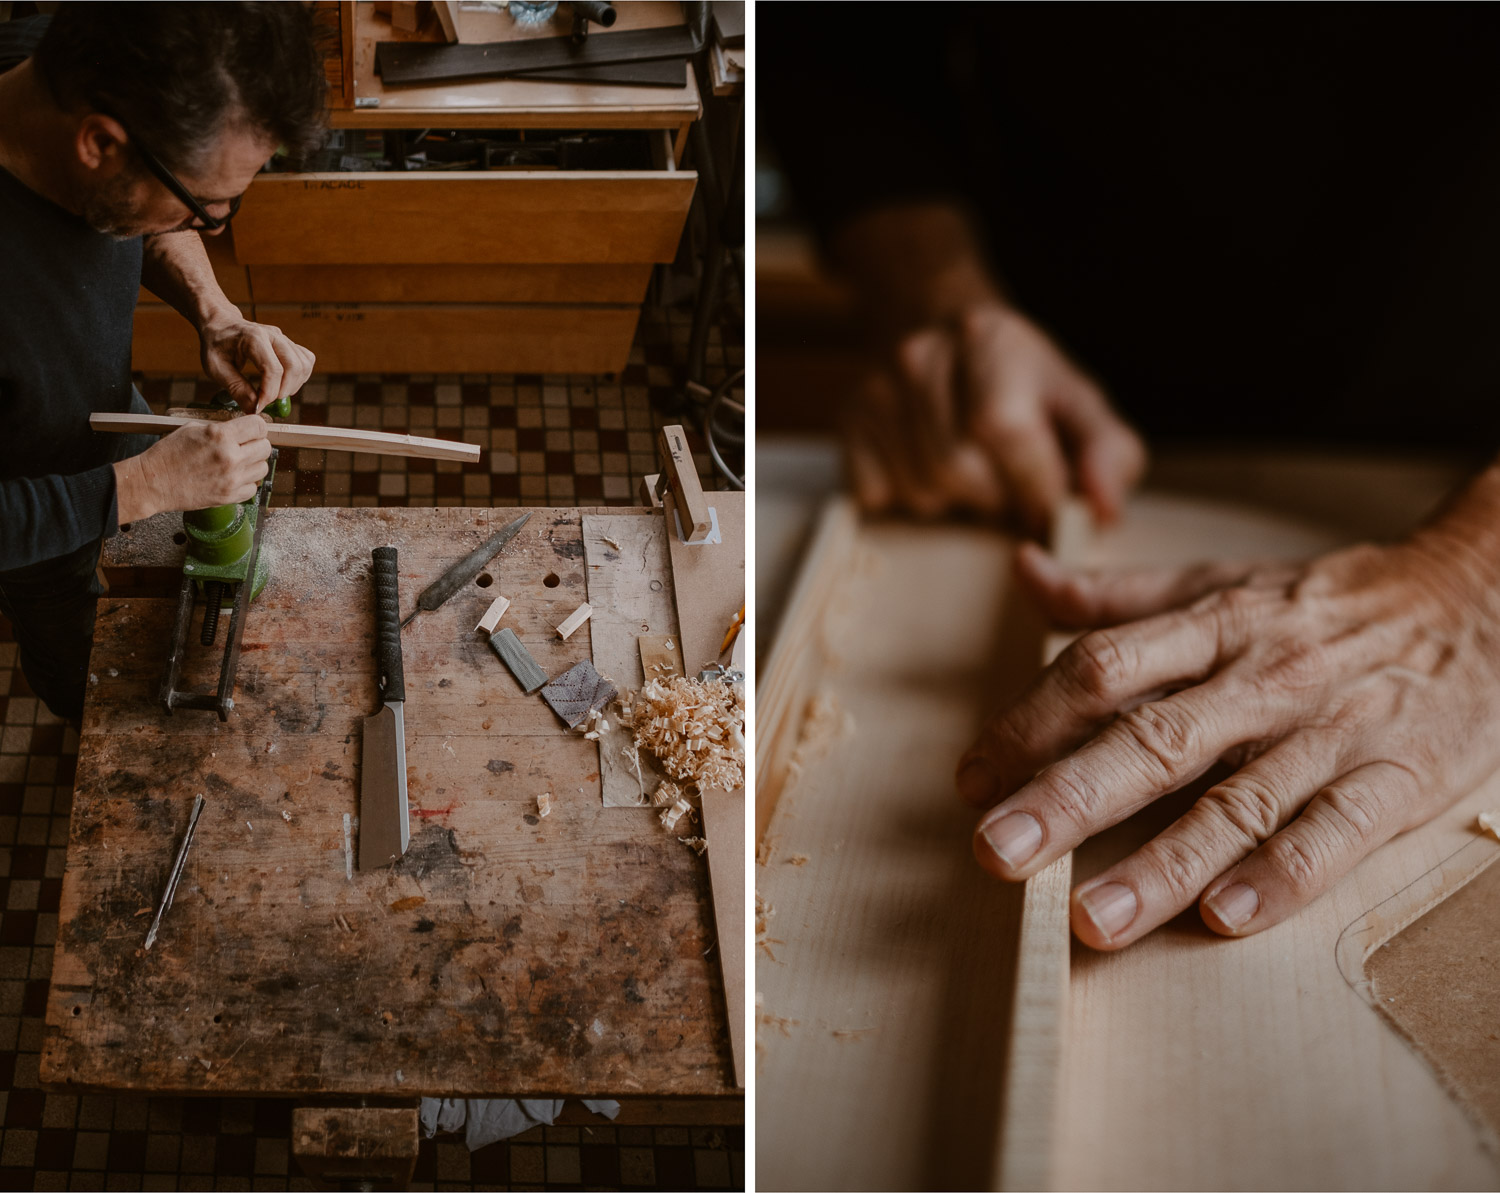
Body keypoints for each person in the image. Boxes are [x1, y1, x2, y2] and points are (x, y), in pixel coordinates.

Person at [763, 6, 1500, 949]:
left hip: (1458, 452)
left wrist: (1467, 582)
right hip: (1066, 406)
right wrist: (944, 301)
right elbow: (836, 42)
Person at [0, 3, 326, 722]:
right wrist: (139, 487)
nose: (210, 229)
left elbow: (122, 216)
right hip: (33, 518)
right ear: (99, 143)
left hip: (99, 413)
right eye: (202, 207)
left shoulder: (66, 52)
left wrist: (216, 312)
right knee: (84, 665)